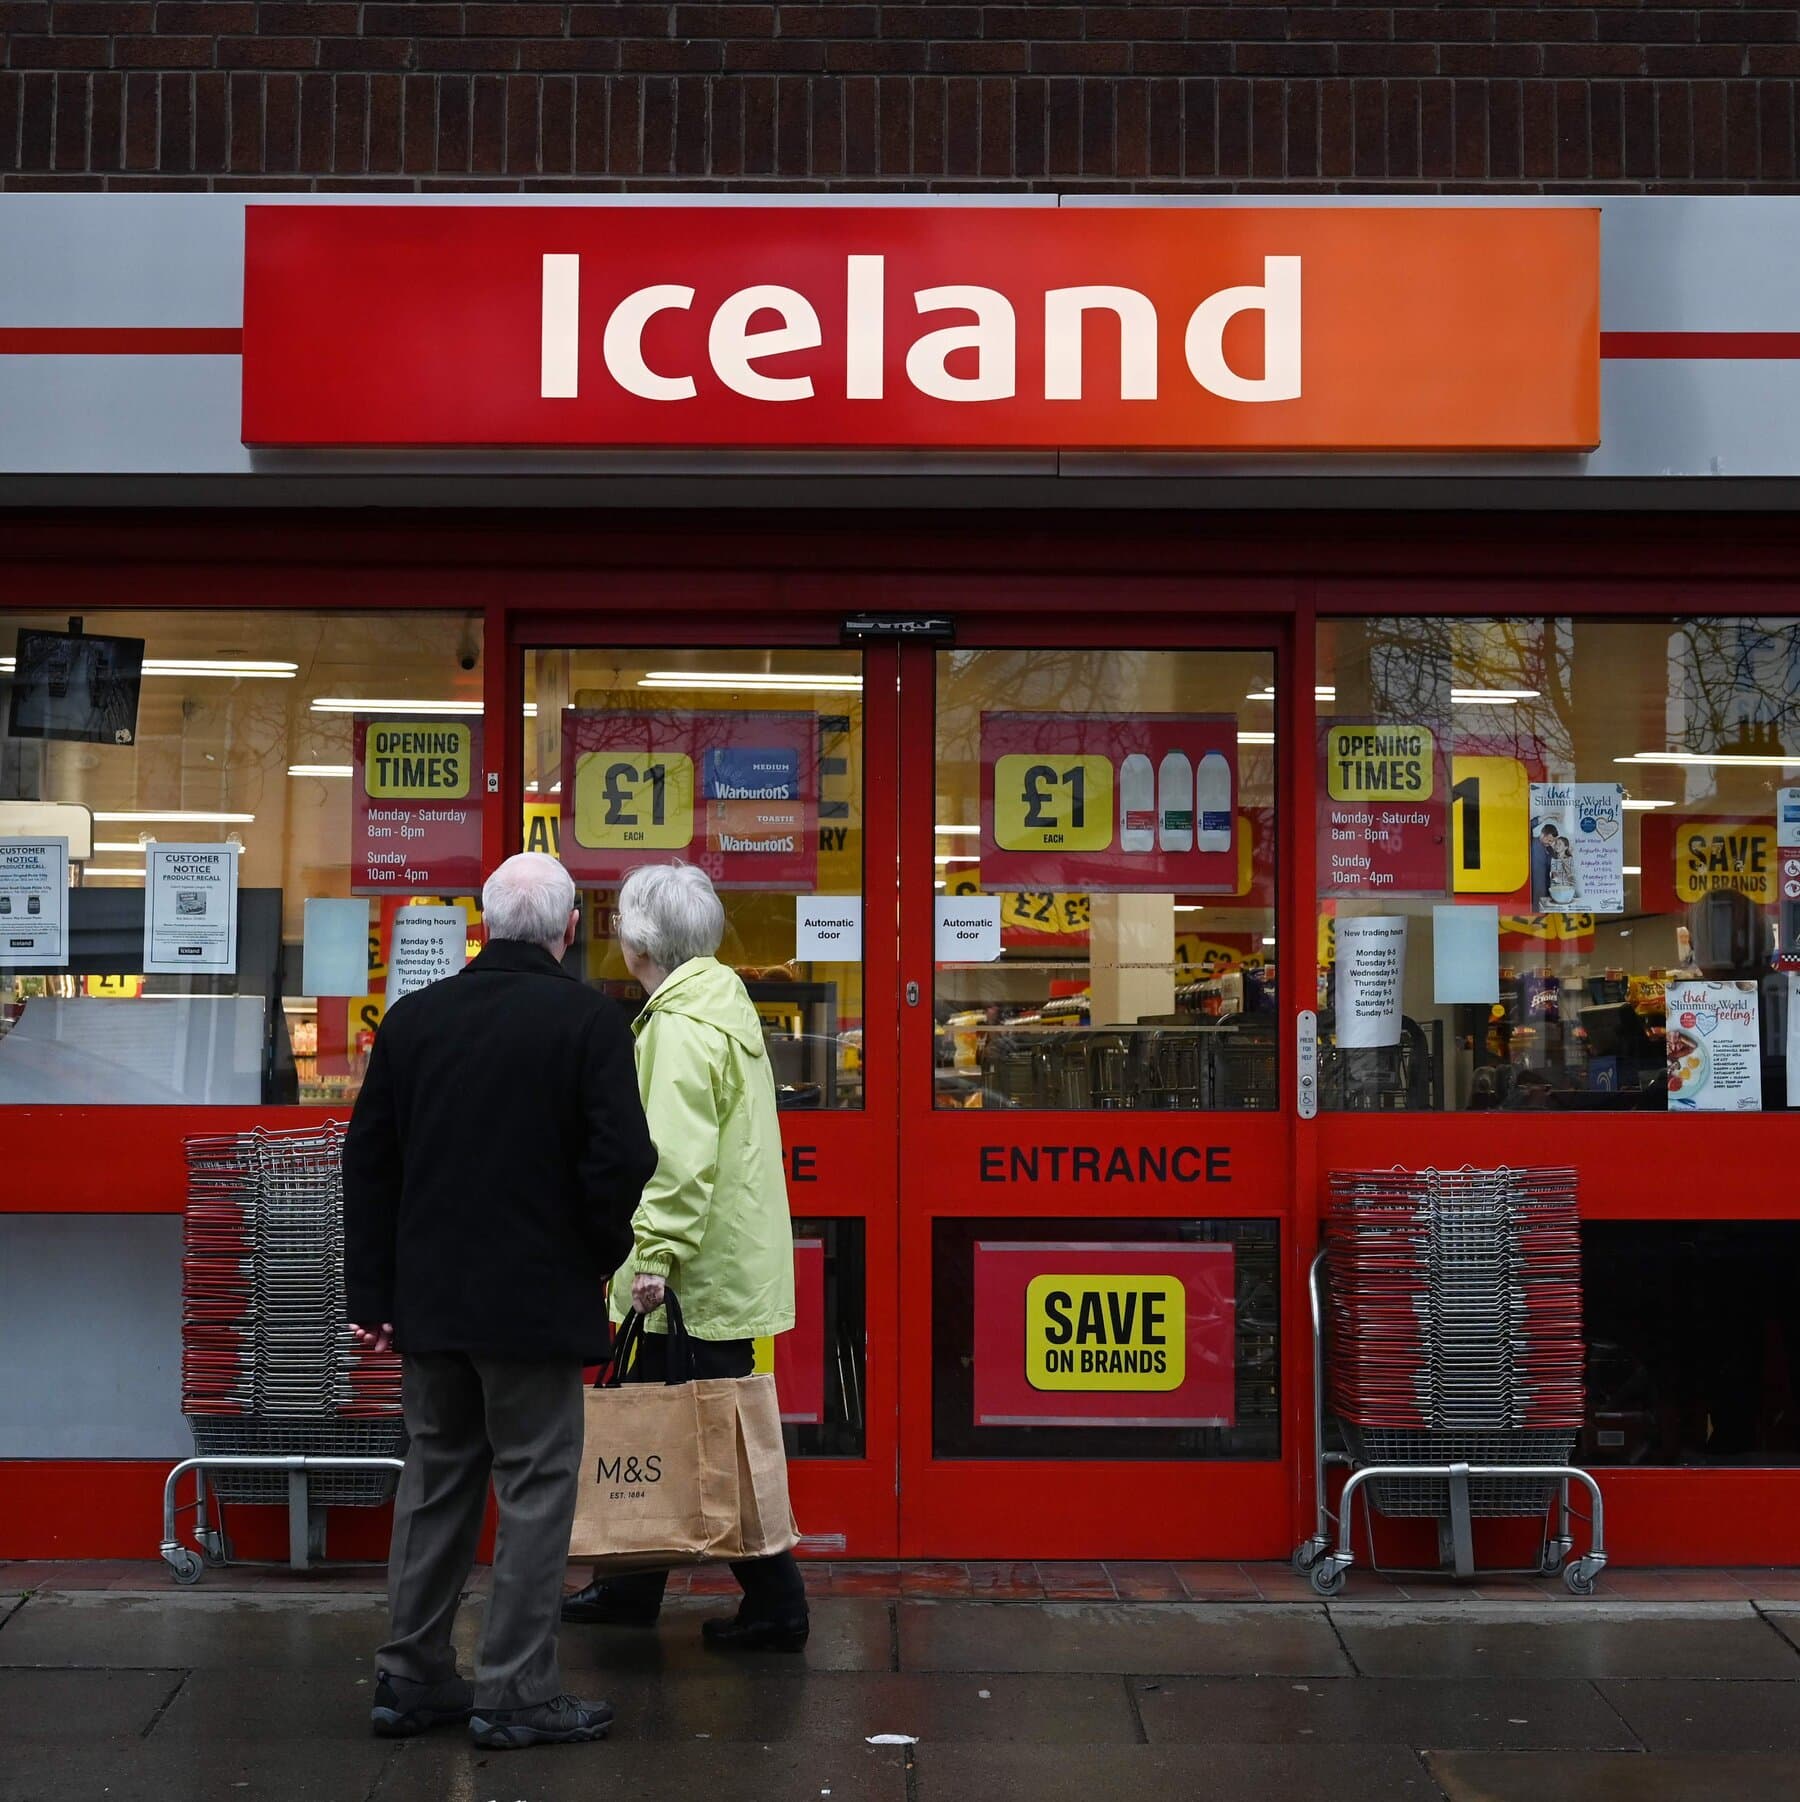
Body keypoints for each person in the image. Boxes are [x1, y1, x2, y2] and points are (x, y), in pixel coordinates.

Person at [344, 853, 658, 1751]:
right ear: (568, 930)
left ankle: (411, 1676)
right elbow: (623, 1159)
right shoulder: (590, 1022)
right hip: (535, 1304)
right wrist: (592, 1254)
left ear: (484, 924)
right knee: (535, 1489)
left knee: (435, 1481)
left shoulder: (414, 1020)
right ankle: (516, 1691)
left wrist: (374, 1293)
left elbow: (370, 1162)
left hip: (431, 1302)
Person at [562, 860, 808, 1651]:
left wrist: (654, 1259)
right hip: (722, 1265)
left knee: (697, 1433)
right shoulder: (720, 1007)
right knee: (676, 1427)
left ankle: (776, 1604)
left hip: (690, 1277)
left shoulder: (677, 1025)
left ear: (638, 943)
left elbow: (674, 1156)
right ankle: (632, 1585)